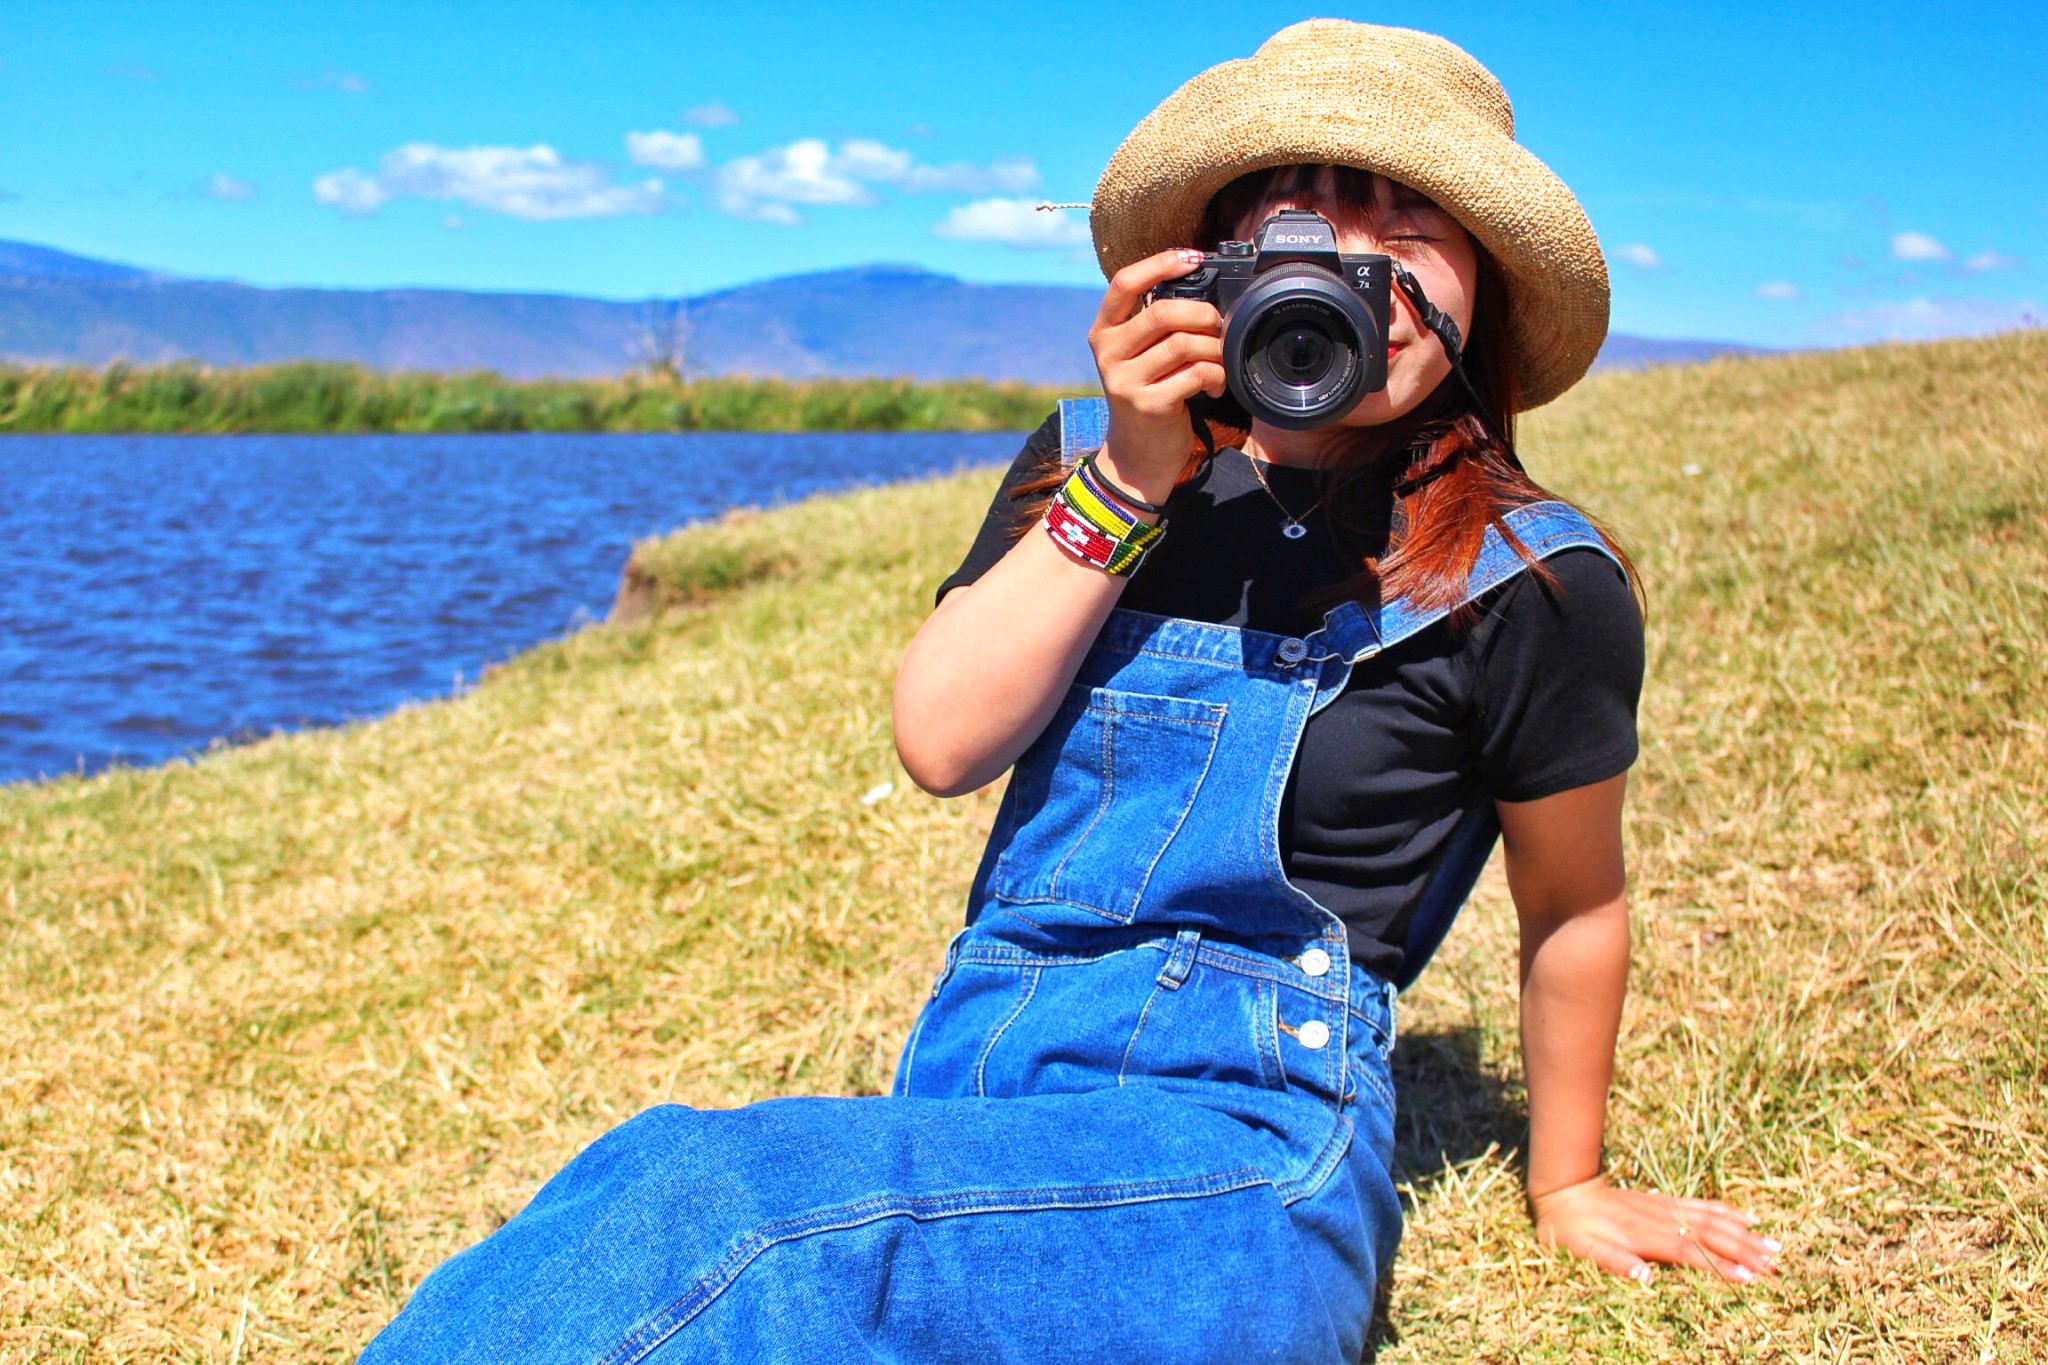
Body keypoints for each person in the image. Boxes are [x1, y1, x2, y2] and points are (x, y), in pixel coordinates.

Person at [358, 21, 1778, 1364]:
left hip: (1242, 1141)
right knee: (668, 1187)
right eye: (1298, 222)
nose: (1345, 265)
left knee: (725, 1207)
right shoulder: (1089, 465)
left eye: (1404, 222)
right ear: (1210, 265)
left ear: (1484, 281)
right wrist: (1130, 478)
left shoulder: (1527, 575)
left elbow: (1575, 900)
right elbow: (940, 738)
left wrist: (1569, 1179)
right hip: (978, 1086)